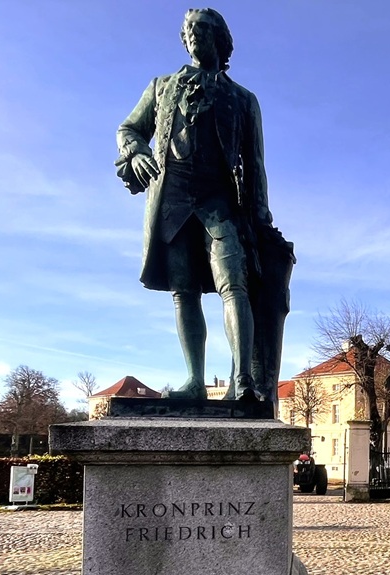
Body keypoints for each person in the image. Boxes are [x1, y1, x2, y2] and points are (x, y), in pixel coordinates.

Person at [115, 8, 292, 404]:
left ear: (220, 39)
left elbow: (255, 164)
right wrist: (136, 151)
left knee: (235, 284)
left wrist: (261, 216)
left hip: (220, 200)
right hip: (172, 199)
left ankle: (243, 380)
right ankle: (195, 380)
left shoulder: (242, 99)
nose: (194, 34)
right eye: (188, 30)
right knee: (184, 290)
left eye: (203, 29)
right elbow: (128, 128)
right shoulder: (161, 86)